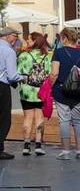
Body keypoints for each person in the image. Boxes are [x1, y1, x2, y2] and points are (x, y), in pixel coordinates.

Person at [50, 27, 80, 160]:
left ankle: (66, 152)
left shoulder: (58, 52)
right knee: (78, 121)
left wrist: (50, 86)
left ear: (64, 38)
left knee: (64, 121)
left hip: (61, 91)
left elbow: (54, 73)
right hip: (79, 93)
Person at [17, 32, 51, 155]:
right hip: (41, 92)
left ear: (35, 41)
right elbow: (49, 73)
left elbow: (19, 72)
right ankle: (38, 145)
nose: (27, 40)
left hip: (26, 91)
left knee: (27, 117)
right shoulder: (47, 56)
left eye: (29, 39)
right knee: (39, 118)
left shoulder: (24, 55)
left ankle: (26, 146)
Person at [0, 27, 22, 161]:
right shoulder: (9, 51)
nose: (16, 39)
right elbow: (12, 75)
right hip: (2, 87)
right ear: (7, 36)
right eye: (15, 36)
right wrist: (23, 77)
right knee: (4, 118)